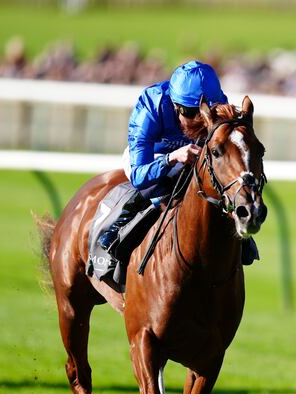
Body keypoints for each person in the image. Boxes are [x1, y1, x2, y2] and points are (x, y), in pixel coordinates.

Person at [97, 60, 259, 264]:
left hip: (196, 155)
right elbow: (139, 176)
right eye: (191, 113)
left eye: (206, 112)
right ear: (175, 106)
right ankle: (122, 221)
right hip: (153, 157)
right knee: (164, 182)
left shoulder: (218, 104)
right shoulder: (151, 105)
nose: (201, 121)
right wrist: (171, 157)